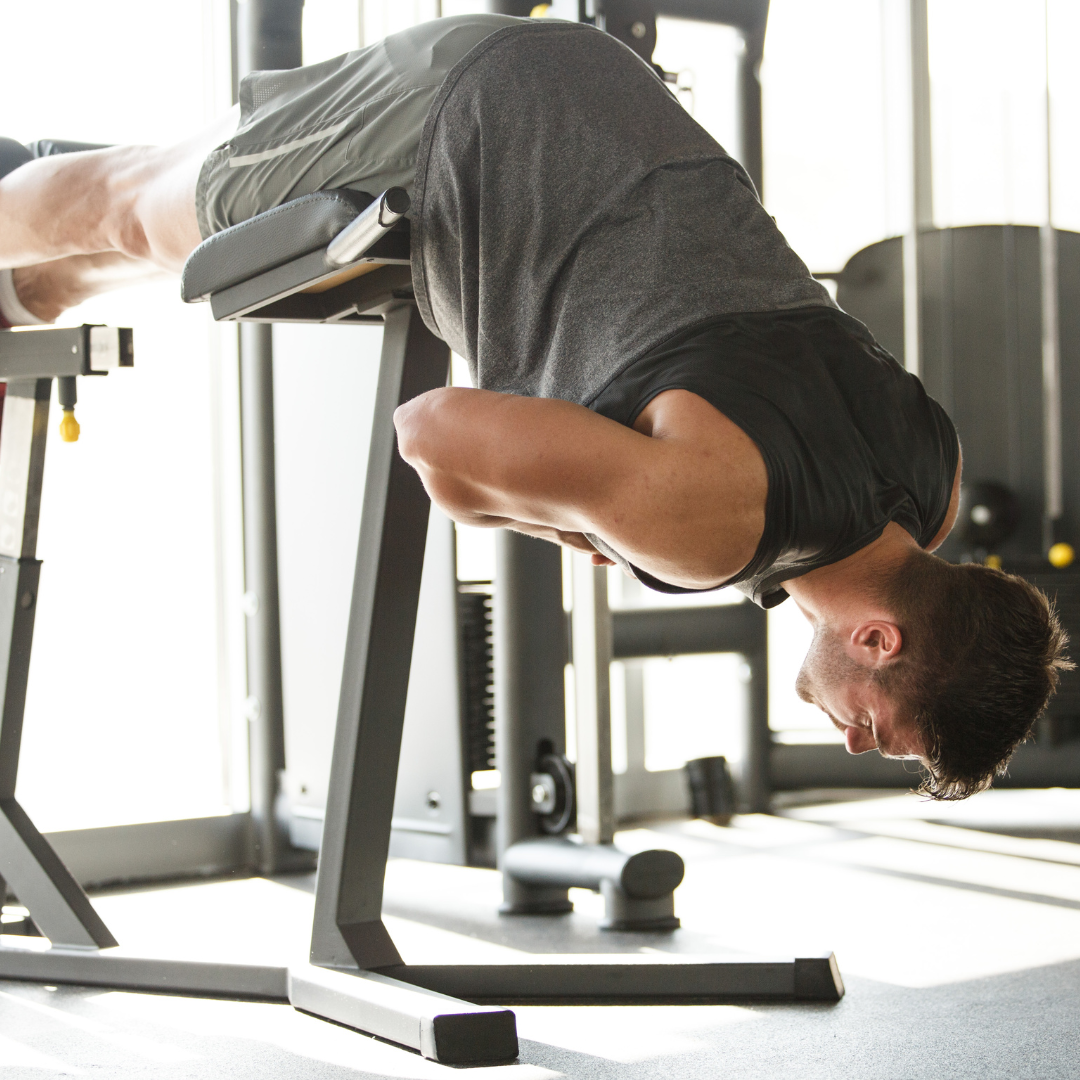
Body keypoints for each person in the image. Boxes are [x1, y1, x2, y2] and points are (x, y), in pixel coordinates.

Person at [0, 15, 1069, 799]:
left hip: (587, 104)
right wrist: (570, 518)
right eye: (882, 734)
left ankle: (22, 283)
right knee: (138, 204)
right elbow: (431, 434)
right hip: (477, 119)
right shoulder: (714, 529)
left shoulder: (932, 478)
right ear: (878, 643)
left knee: (154, 250)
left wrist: (601, 501)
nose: (852, 742)